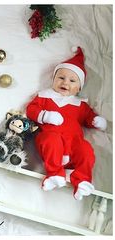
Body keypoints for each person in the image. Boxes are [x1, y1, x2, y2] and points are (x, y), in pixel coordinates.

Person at [26, 47, 107, 200]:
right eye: (61, 78)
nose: (65, 83)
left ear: (79, 88)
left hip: (73, 143)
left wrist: (95, 121)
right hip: (51, 137)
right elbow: (31, 109)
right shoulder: (45, 96)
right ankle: (54, 174)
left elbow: (87, 117)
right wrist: (45, 115)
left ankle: (82, 181)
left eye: (72, 80)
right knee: (51, 140)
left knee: (86, 150)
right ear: (53, 79)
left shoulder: (79, 104)